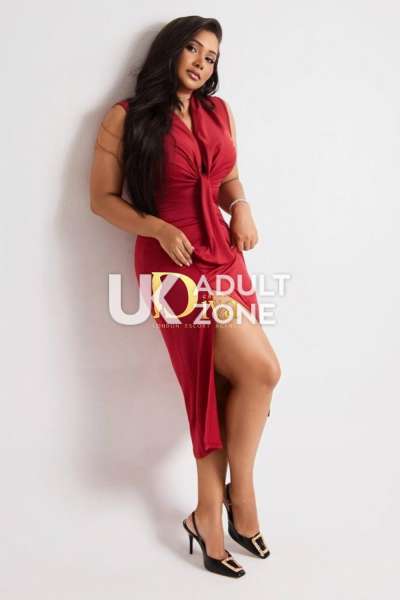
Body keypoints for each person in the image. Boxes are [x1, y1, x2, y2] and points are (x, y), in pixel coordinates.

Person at [90, 15, 281, 578]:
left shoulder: (219, 112)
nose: (201, 62)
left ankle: (207, 514)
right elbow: (101, 199)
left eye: (211, 56)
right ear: (170, 50)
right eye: (193, 49)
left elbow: (227, 177)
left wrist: (240, 206)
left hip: (225, 256)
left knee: (233, 383)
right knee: (257, 371)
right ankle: (239, 501)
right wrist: (156, 227)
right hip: (172, 266)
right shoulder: (126, 117)